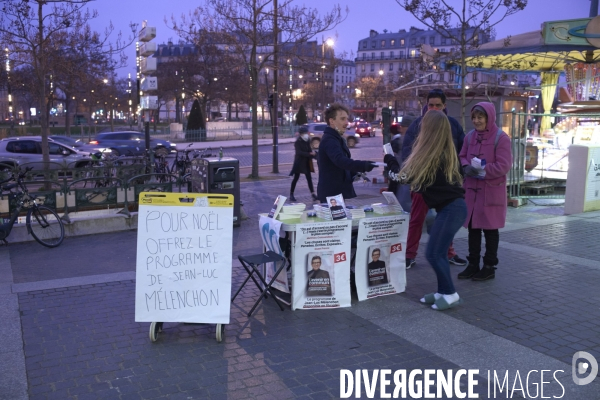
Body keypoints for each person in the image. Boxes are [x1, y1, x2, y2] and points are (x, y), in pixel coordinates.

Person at [385, 110, 466, 310]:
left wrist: (391, 161)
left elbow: (403, 178)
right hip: (450, 208)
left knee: (434, 253)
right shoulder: (440, 151)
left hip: (452, 209)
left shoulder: (433, 154)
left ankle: (450, 294)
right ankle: (442, 291)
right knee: (435, 252)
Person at [402, 89, 466, 270]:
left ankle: (449, 253)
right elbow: (407, 152)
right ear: (426, 105)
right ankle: (409, 255)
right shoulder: (417, 125)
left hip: (446, 184)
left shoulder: (453, 125)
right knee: (416, 220)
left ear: (445, 106)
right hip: (422, 183)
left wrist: (459, 175)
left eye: (438, 105)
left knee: (445, 221)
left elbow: (462, 152)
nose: (434, 108)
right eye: (431, 105)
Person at [457, 102, 512, 281]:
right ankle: (473, 264)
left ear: (489, 117)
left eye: (480, 117)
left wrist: (482, 170)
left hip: (490, 192)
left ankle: (489, 267)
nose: (476, 121)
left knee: (490, 230)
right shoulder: (470, 136)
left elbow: (504, 165)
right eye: (474, 117)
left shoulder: (501, 138)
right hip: (472, 192)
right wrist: (465, 167)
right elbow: (462, 155)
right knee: (473, 229)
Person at [317, 103, 377, 202]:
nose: (346, 123)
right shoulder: (330, 140)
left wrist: (354, 173)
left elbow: (339, 166)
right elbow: (340, 160)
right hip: (332, 196)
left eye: (346, 119)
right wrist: (362, 165)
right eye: (342, 119)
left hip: (336, 193)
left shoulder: (336, 138)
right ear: (332, 121)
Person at [388, 116, 415, 211]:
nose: (401, 128)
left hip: (406, 184)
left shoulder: (410, 142)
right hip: (400, 183)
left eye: (404, 126)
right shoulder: (398, 141)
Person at [289, 125, 318, 202]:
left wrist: (313, 154)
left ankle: (313, 194)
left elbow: (309, 150)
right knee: (296, 178)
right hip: (299, 163)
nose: (306, 134)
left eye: (306, 133)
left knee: (309, 179)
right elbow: (299, 152)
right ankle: (291, 194)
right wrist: (309, 154)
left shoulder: (307, 140)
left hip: (306, 162)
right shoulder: (297, 142)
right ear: (300, 134)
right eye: (304, 133)